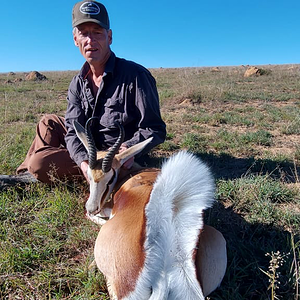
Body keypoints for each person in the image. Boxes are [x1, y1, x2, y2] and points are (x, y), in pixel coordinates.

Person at [0, 0, 166, 189]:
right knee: (49, 122)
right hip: (90, 147)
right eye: (84, 33)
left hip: (113, 157)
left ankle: (35, 175)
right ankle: (28, 175)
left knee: (39, 163)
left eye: (97, 33)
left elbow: (155, 128)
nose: (90, 40)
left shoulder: (136, 76)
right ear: (75, 39)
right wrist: (82, 161)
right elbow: (72, 130)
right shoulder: (77, 82)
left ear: (109, 37)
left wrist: (128, 148)